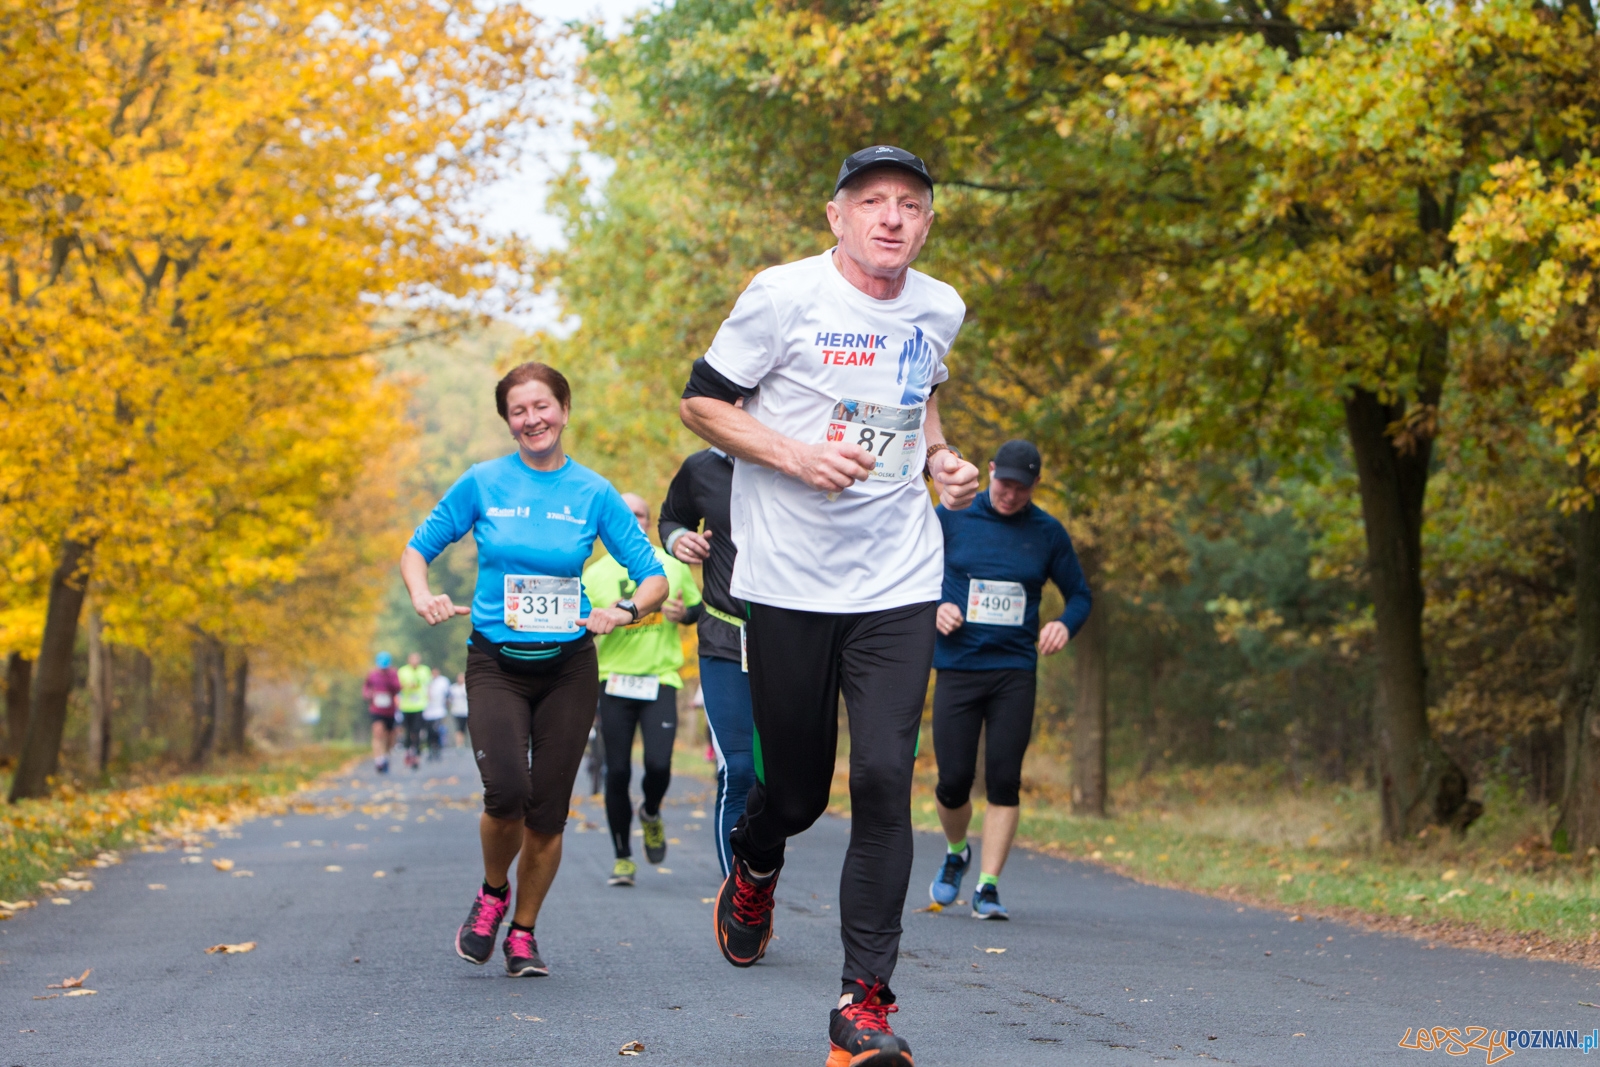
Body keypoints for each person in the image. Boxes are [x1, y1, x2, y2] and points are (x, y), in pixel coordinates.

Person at [679, 145, 979, 1067]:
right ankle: (756, 856)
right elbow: (700, 404)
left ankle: (864, 1005)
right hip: (789, 585)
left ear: (926, 224)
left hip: (896, 582)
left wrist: (939, 459)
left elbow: (918, 399)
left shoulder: (940, 306)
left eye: (911, 205)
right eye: (873, 202)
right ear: (837, 215)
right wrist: (792, 455)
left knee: (888, 779)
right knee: (801, 792)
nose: (892, 217)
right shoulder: (782, 295)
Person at [401, 361, 667, 979]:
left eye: (542, 407)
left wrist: (622, 610)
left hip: (569, 667)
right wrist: (424, 595)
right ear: (508, 422)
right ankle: (493, 893)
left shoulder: (594, 493)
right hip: (496, 662)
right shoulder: (483, 482)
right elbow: (419, 549)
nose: (532, 419)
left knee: (548, 810)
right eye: (518, 411)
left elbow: (652, 574)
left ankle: (523, 933)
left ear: (564, 411)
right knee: (507, 793)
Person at [926, 439, 1091, 920]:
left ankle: (989, 887)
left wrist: (1065, 623)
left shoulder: (1048, 533)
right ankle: (957, 851)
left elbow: (1080, 595)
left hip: (1014, 671)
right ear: (991, 471)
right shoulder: (951, 516)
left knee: (1004, 779)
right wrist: (938, 606)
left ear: (1035, 486)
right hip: (957, 665)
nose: (1010, 494)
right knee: (953, 782)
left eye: (1021, 488)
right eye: (1003, 483)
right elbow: (913, 571)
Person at [584, 493, 703, 887]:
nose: (632, 519)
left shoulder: (670, 565)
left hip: (661, 679)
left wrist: (683, 614)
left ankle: (650, 811)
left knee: (658, 766)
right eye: (625, 513)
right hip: (613, 679)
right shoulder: (594, 574)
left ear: (650, 522)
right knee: (615, 771)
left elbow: (698, 609)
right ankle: (622, 858)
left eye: (640, 514)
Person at [659, 444, 753, 878]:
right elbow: (671, 517)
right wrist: (679, 539)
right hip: (725, 635)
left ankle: (760, 871)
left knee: (789, 785)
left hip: (794, 642)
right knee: (738, 770)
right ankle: (739, 896)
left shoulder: (805, 452)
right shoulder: (704, 466)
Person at [362, 652, 402, 773]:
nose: (383, 670)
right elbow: (366, 687)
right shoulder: (372, 674)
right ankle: (378, 760)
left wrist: (389, 681)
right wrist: (368, 694)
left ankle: (385, 756)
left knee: (390, 737)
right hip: (376, 709)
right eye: (381, 667)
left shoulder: (393, 674)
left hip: (390, 710)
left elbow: (398, 688)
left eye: (385, 667)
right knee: (378, 733)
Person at [397, 652, 430, 771]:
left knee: (417, 730)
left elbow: (427, 685)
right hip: (406, 706)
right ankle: (408, 751)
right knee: (407, 730)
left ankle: (416, 752)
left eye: (417, 658)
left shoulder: (425, 670)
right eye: (412, 659)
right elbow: (398, 686)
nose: (415, 661)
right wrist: (407, 686)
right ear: (408, 660)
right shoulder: (402, 671)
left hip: (419, 706)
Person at [424, 666, 450, 761]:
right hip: (428, 711)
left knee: (437, 731)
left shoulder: (443, 681)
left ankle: (438, 749)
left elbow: (448, 695)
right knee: (429, 732)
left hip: (439, 711)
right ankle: (430, 749)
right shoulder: (426, 681)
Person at [449, 671, 469, 747]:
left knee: (463, 728)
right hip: (456, 711)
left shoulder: (466, 687)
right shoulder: (453, 688)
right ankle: (459, 744)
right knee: (458, 727)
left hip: (465, 711)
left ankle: (462, 742)